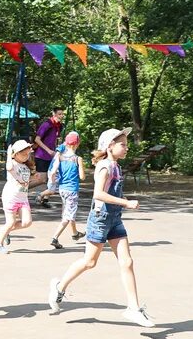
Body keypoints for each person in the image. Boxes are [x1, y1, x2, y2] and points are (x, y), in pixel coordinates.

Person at [48, 128, 154, 327]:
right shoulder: (105, 166)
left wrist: (123, 201)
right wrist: (126, 203)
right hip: (100, 218)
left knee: (127, 262)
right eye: (122, 144)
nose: (127, 147)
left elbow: (110, 194)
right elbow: (98, 194)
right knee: (89, 262)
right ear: (109, 146)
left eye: (126, 144)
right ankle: (59, 287)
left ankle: (133, 308)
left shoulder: (117, 166)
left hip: (114, 219)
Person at [0, 140, 35, 254]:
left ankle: (5, 231)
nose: (26, 156)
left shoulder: (26, 166)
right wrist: (8, 155)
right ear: (16, 154)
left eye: (27, 154)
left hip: (23, 197)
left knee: (27, 222)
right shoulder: (12, 163)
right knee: (10, 222)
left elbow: (24, 180)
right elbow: (8, 168)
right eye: (23, 154)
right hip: (11, 196)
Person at [49, 132, 86, 249]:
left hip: (62, 189)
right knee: (68, 216)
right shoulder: (77, 159)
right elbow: (82, 177)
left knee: (69, 212)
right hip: (72, 190)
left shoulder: (60, 157)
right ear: (78, 143)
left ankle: (75, 234)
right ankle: (55, 238)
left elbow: (54, 171)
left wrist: (52, 179)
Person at [32, 107, 65, 203]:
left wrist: (56, 150)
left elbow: (53, 140)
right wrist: (48, 150)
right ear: (54, 114)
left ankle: (45, 199)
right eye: (59, 114)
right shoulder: (47, 124)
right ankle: (21, 190)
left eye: (62, 114)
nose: (61, 116)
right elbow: (37, 140)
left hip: (51, 156)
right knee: (41, 179)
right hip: (42, 155)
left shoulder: (58, 126)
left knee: (52, 177)